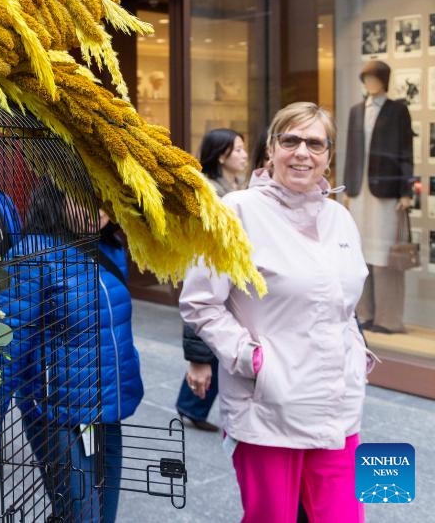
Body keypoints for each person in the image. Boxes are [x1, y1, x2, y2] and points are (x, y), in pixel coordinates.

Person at [180, 102, 370, 523]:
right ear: (271, 148)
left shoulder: (340, 218)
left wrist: (356, 356)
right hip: (269, 406)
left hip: (337, 408)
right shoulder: (236, 211)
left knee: (345, 516)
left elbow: (344, 306)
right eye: (291, 140)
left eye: (315, 143)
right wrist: (252, 360)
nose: (302, 152)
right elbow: (200, 302)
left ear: (328, 155)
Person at [0, 178, 143, 522]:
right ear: (56, 197)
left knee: (102, 515)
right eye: (85, 198)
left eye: (105, 202)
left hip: (105, 410)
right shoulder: (32, 255)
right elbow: (4, 345)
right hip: (55, 413)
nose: (98, 211)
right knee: (83, 516)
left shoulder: (111, 248)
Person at [176, 128, 248, 431]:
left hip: (233, 275)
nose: (244, 155)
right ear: (221, 156)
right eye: (238, 149)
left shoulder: (238, 187)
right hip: (214, 273)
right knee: (213, 338)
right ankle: (192, 402)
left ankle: (190, 403)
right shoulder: (210, 194)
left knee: (220, 342)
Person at [342, 59, 414, 334]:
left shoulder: (398, 110)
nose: (370, 84)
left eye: (374, 78)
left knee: (385, 255)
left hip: (387, 191)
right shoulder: (356, 110)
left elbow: (406, 152)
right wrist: (348, 188)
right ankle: (364, 313)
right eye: (366, 79)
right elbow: (351, 151)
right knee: (360, 252)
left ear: (384, 80)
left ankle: (389, 319)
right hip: (360, 191)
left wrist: (406, 190)